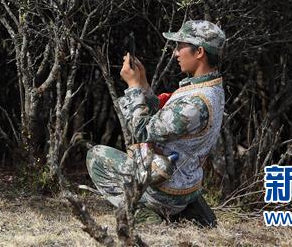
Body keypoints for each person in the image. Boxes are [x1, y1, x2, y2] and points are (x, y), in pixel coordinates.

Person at [86, 20, 226, 227]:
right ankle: (190, 210)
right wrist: (143, 84)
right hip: (188, 184)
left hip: (167, 189)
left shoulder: (195, 101)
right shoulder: (211, 88)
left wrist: (133, 87)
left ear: (199, 52)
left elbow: (143, 131)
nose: (175, 53)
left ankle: (145, 214)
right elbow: (164, 120)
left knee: (96, 156)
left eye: (180, 46)